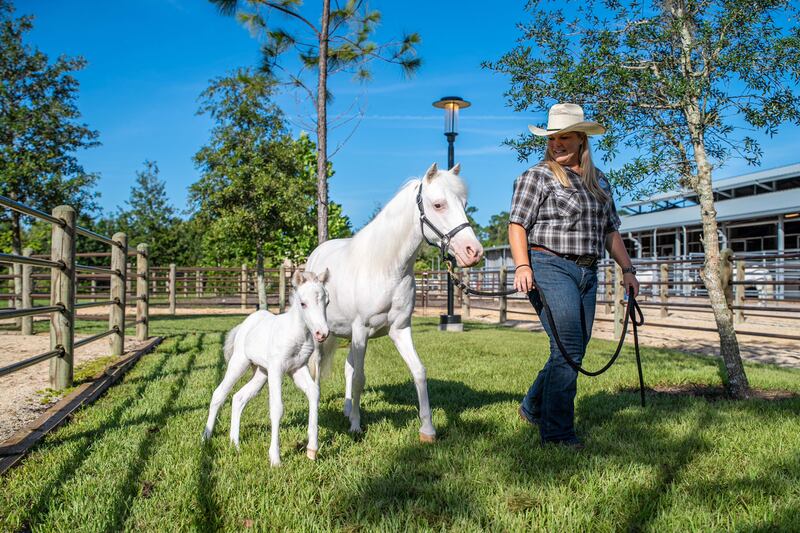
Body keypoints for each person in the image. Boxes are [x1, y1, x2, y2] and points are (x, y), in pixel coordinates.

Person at [508, 103, 639, 449]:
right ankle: (558, 434)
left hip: (588, 271)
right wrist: (523, 266)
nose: (558, 144)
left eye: (565, 137)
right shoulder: (536, 177)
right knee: (567, 349)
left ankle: (533, 406)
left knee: (572, 350)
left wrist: (627, 270)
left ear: (581, 139)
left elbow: (610, 231)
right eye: (553, 138)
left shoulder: (599, 183)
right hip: (548, 265)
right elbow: (517, 225)